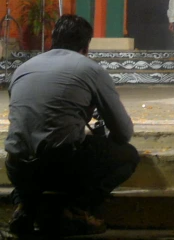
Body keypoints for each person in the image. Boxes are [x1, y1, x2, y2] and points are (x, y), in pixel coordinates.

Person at [4, 14, 139, 237]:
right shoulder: (90, 69)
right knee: (127, 156)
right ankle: (76, 209)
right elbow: (123, 132)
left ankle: (24, 207)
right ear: (86, 46)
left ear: (52, 41)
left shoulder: (23, 68)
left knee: (29, 146)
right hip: (61, 166)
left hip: (17, 167)